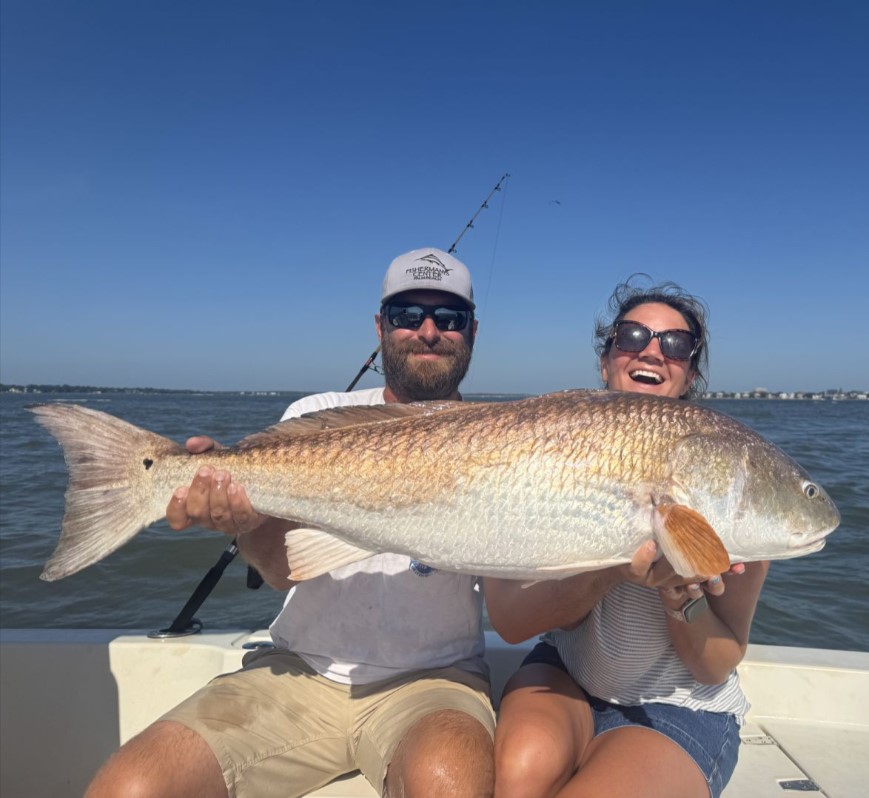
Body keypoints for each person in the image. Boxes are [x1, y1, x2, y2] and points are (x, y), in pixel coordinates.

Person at [86, 247, 495, 798]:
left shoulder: (506, 436)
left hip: (437, 684)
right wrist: (242, 519)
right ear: (380, 327)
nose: (427, 331)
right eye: (407, 316)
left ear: (471, 331)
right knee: (131, 788)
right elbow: (280, 569)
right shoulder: (312, 416)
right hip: (297, 671)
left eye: (448, 319)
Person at [484, 276, 769, 798]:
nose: (654, 352)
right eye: (633, 336)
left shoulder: (731, 474)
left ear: (690, 373)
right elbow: (509, 620)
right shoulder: (542, 452)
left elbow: (717, 661)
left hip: (680, 704)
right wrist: (614, 568)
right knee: (514, 777)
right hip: (566, 674)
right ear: (607, 359)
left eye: (677, 345)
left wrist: (679, 597)